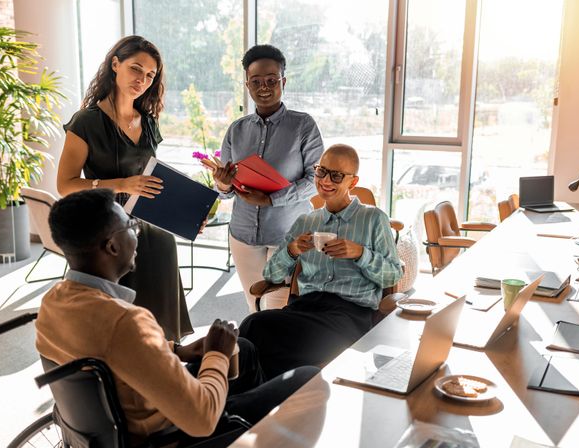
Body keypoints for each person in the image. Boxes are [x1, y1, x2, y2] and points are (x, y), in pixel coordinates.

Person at [35, 189, 318, 448]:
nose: (136, 232)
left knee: (247, 349)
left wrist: (178, 350)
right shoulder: (125, 321)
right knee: (306, 378)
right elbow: (202, 419)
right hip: (168, 442)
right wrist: (217, 355)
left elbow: (108, 352)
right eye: (130, 225)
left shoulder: (55, 302)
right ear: (112, 246)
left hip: (109, 432)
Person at [56, 35, 190, 341]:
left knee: (163, 253)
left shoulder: (149, 123)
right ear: (115, 64)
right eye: (135, 69)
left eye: (150, 75)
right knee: (112, 323)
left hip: (146, 224)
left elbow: (152, 180)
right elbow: (65, 185)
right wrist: (121, 184)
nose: (142, 80)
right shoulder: (86, 122)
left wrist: (186, 210)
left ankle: (163, 356)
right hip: (105, 227)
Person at [239, 145, 402, 378]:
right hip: (304, 308)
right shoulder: (306, 222)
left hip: (348, 315)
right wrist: (292, 250)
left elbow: (393, 275)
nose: (325, 180)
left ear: (352, 182)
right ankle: (249, 397)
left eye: (336, 175)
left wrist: (360, 253)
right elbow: (271, 275)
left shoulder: (373, 218)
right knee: (253, 325)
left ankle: (262, 395)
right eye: (321, 171)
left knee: (280, 344)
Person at [209, 44, 324, 312]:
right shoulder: (236, 130)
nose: (264, 87)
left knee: (277, 309)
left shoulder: (303, 126)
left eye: (272, 80)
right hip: (243, 234)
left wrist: (271, 199)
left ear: (283, 82)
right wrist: (223, 184)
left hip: (288, 234)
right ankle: (256, 354)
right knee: (253, 305)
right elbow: (225, 191)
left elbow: (315, 181)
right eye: (256, 81)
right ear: (247, 85)